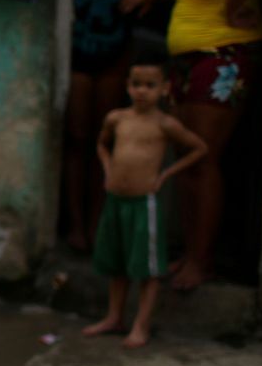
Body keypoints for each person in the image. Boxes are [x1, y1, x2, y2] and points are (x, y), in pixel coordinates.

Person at [129, 0, 262, 290]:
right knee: (187, 156)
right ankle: (193, 253)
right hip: (189, 57)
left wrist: (234, 7)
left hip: (224, 54)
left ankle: (203, 260)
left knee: (203, 157)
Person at [64, 0, 167, 251]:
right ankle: (75, 225)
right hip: (77, 57)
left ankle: (97, 225)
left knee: (103, 142)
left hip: (115, 58)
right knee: (77, 140)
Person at [82, 49, 207, 347]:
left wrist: (165, 176)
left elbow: (199, 148)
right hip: (116, 200)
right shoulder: (116, 118)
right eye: (136, 84)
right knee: (117, 263)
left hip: (144, 204)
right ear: (127, 86)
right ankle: (115, 317)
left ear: (165, 88)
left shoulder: (164, 124)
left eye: (150, 85)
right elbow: (101, 145)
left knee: (147, 269)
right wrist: (108, 168)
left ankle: (142, 324)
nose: (142, 91)